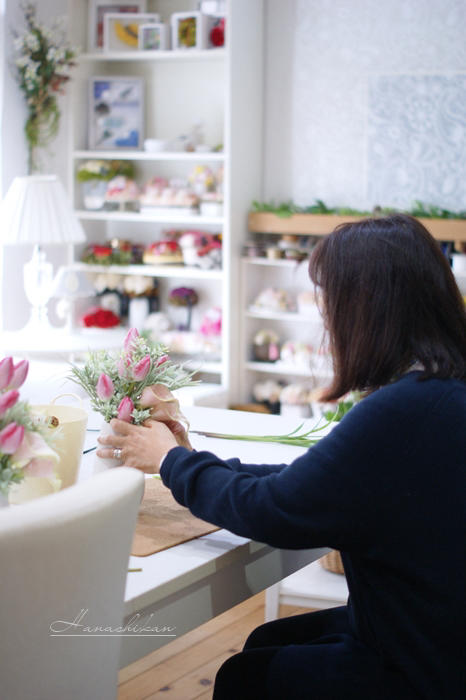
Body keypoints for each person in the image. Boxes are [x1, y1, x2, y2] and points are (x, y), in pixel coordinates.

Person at [97, 214, 466, 699]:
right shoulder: (441, 389)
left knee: (243, 677)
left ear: (366, 311)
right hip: (439, 634)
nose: (325, 322)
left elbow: (276, 511)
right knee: (270, 641)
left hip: (425, 670)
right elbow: (314, 486)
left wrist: (170, 462)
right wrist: (187, 457)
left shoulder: (401, 410)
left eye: (329, 303)